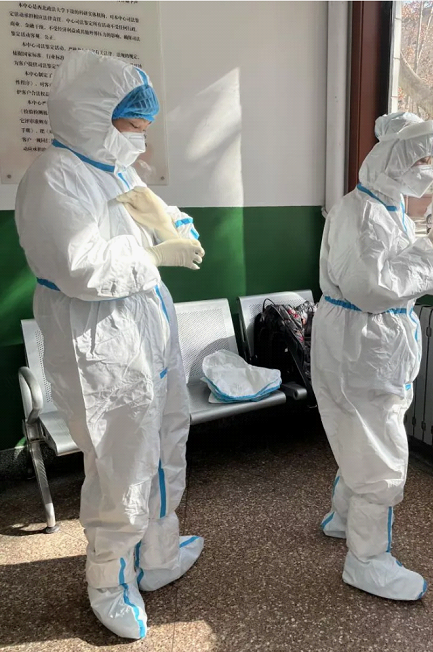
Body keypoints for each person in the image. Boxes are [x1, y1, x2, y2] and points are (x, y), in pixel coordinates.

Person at [15, 50, 205, 639]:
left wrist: (173, 224)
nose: (140, 141)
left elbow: (157, 218)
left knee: (167, 439)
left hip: (146, 326)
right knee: (120, 462)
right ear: (93, 114)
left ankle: (159, 555)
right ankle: (108, 581)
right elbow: (80, 266)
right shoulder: (53, 176)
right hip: (97, 338)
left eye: (145, 128)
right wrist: (153, 253)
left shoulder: (117, 169)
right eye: (132, 126)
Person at [311, 112, 433, 601]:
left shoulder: (388, 208)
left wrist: (427, 245)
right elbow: (371, 288)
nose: (428, 171)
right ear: (394, 160)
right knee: (380, 453)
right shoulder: (361, 213)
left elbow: (391, 271)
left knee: (364, 436)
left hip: (371, 345)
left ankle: (343, 519)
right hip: (361, 345)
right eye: (422, 161)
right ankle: (367, 560)